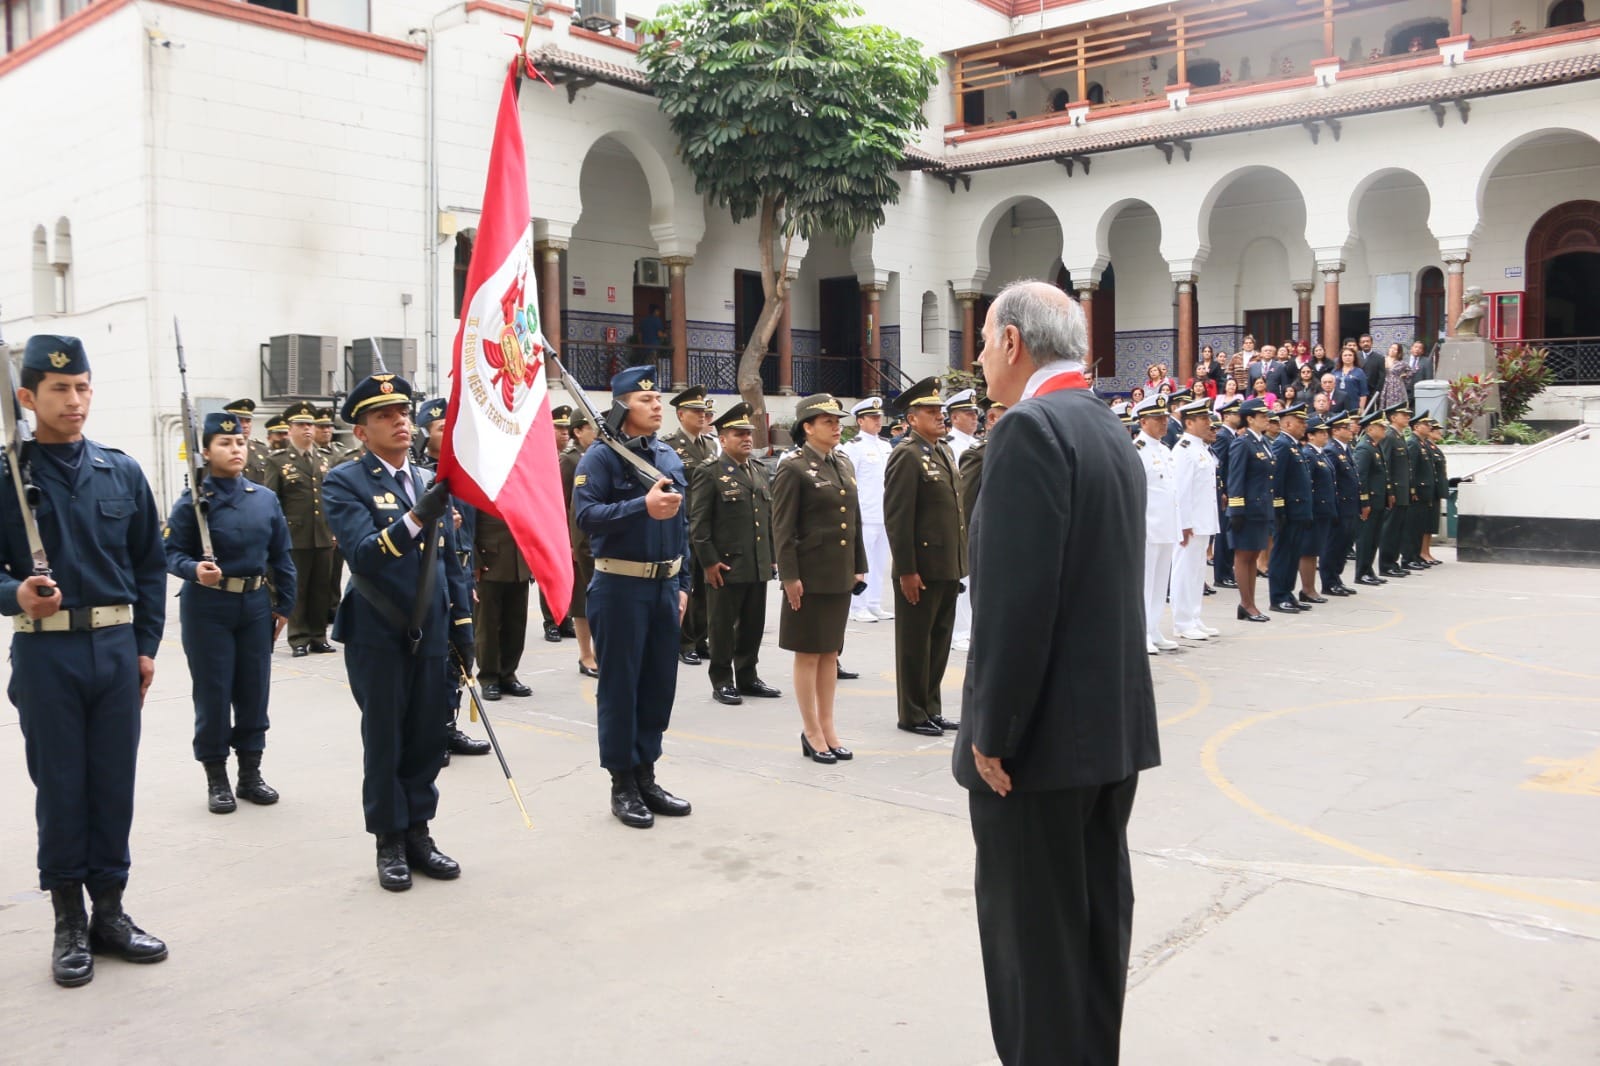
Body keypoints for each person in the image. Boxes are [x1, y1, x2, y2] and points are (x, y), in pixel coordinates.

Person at [953, 281, 1159, 1066]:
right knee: (1093, 937)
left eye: (981, 338)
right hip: (1107, 734)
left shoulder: (1028, 430)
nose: (977, 356)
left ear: (1013, 342)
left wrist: (993, 733)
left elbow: (1017, 603)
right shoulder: (1105, 426)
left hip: (1038, 750)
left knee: (1034, 957)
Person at [2, 334, 169, 987]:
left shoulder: (120, 470)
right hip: (47, 653)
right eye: (59, 390)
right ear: (27, 396)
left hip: (115, 649)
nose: (75, 400)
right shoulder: (8, 476)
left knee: (112, 786)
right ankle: (68, 920)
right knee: (63, 788)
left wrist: (147, 645)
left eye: (83, 387)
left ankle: (111, 913)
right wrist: (12, 593)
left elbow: (149, 567)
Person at [324, 372, 475, 890]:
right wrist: (414, 519)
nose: (400, 422)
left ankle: (419, 831)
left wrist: (462, 627)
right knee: (386, 736)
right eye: (384, 416)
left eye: (404, 413)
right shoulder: (345, 481)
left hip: (430, 627)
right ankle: (388, 839)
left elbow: (449, 560)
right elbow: (364, 555)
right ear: (361, 432)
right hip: (378, 629)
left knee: (426, 737)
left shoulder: (429, 479)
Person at [573, 365, 694, 829]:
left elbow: (682, 526)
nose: (657, 405)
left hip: (664, 587)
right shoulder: (600, 458)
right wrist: (639, 506)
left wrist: (682, 586)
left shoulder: (667, 456)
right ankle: (622, 782)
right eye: (646, 400)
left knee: (657, 686)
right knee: (620, 688)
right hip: (620, 586)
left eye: (659, 398)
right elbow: (586, 516)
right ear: (623, 405)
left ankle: (647, 772)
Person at [164, 411, 296, 815]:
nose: (235, 449)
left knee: (254, 691)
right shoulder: (193, 503)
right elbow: (170, 552)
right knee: (214, 692)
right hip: (209, 607)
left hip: (255, 605)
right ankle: (216, 776)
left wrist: (285, 605)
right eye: (224, 444)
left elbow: (282, 556)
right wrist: (192, 570)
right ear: (206, 452)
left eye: (239, 442)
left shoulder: (264, 499)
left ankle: (250, 774)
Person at [771, 394, 866, 762]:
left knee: (830, 653)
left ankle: (828, 727)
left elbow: (852, 519)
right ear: (807, 427)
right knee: (809, 653)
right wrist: (790, 576)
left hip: (837, 572)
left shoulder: (842, 462)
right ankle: (811, 730)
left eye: (837, 420)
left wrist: (858, 564)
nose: (836, 425)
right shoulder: (793, 467)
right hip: (808, 574)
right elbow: (783, 527)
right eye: (827, 421)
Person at [884, 376, 965, 737]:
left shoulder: (943, 451)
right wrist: (906, 570)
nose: (940, 416)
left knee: (938, 642)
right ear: (912, 418)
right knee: (916, 644)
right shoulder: (906, 454)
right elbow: (898, 518)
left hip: (947, 566)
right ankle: (912, 712)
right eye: (931, 411)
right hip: (921, 569)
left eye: (940, 411)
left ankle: (932, 706)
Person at [414, 398, 491, 761]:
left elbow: (472, 527)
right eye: (441, 428)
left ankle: (448, 725)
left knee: (459, 654)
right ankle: (428, 731)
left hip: (459, 572)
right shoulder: (416, 475)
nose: (448, 435)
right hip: (428, 576)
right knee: (431, 658)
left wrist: (470, 573)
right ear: (425, 433)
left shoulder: (463, 471)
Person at [689, 402, 780, 707]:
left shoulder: (757, 469)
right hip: (726, 564)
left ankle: (748, 675)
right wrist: (709, 561)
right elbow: (698, 523)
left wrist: (772, 555)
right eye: (738, 433)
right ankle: (722, 680)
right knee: (722, 625)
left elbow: (767, 517)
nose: (746, 439)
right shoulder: (710, 472)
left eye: (749, 433)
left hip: (756, 562)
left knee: (753, 624)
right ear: (722, 438)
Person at [265, 401, 335, 657]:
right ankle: (298, 638)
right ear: (290, 429)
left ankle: (319, 636)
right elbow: (273, 500)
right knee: (298, 587)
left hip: (323, 534)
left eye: (310, 425)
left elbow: (333, 498)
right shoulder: (279, 461)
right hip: (295, 535)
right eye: (301, 425)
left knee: (321, 589)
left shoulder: (325, 459)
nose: (307, 429)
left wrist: (334, 528)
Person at [661, 384, 717, 666]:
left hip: (707, 524)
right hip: (683, 522)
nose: (702, 416)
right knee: (687, 584)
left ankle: (701, 637)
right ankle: (684, 641)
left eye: (704, 411)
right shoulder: (670, 446)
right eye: (696, 412)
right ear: (681, 415)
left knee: (707, 583)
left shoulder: (710, 445)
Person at [1132, 396, 1183, 653]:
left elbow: (1172, 492)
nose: (1164, 423)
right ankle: (1141, 633)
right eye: (1158, 419)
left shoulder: (1164, 450)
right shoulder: (1137, 450)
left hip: (1166, 526)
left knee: (1160, 582)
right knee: (1145, 583)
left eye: (1165, 417)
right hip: (1148, 528)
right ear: (1143, 421)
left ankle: (1153, 628)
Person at [841, 397, 894, 623]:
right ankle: (857, 605)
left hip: (884, 513)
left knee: (880, 562)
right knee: (862, 562)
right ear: (860, 421)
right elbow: (848, 480)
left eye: (879, 417)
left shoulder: (885, 445)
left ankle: (873, 603)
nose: (877, 421)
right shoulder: (853, 447)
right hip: (864, 513)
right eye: (872, 418)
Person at [1170, 398, 1219, 642]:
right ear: (1189, 422)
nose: (1208, 423)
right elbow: (1181, 490)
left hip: (1203, 520)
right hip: (1190, 523)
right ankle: (1182, 621)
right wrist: (1184, 523)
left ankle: (1194, 616)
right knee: (1184, 570)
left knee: (1198, 571)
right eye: (1203, 419)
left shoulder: (1201, 448)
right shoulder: (1184, 450)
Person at [1226, 397, 1277, 621]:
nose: (1267, 419)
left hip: (1262, 508)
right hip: (1246, 510)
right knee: (1244, 555)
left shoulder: (1263, 442)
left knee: (1254, 554)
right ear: (1250, 419)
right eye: (1262, 416)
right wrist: (1236, 510)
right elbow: (1235, 478)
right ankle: (1246, 604)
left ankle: (1251, 603)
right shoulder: (1242, 442)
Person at [561, 407, 599, 677]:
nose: (596, 433)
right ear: (578, 431)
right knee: (581, 601)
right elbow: (562, 504)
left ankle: (600, 651)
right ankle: (585, 654)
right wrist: (570, 543)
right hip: (577, 540)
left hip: (598, 539)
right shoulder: (570, 461)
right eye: (591, 428)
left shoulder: (599, 457)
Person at [1267, 402, 1312, 614]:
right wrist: (1279, 510)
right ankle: (1278, 596)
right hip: (1288, 511)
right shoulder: (1282, 445)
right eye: (1300, 421)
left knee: (1293, 553)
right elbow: (1276, 481)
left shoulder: (1294, 445)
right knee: (1282, 553)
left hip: (1299, 510)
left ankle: (1288, 592)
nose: (1304, 425)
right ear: (1286, 423)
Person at [538, 405, 577, 641]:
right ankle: (551, 621)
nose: (564, 433)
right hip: (549, 522)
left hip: (568, 524)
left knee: (567, 573)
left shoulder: (571, 457)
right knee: (549, 572)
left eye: (566, 429)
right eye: (559, 429)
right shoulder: (542, 456)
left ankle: (565, 618)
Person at [1319, 410, 1363, 597]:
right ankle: (1329, 581)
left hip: (1350, 505)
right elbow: (1332, 482)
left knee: (1344, 544)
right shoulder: (1331, 450)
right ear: (1335, 431)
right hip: (1340, 506)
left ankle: (1337, 578)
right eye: (1346, 427)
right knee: (1334, 545)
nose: (1351, 429)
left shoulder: (1346, 449)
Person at [1352, 407, 1392, 586]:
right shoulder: (1364, 448)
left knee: (1374, 537)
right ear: (1370, 429)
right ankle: (1361, 572)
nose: (1384, 429)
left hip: (1378, 500)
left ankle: (1368, 569)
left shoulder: (1375, 447)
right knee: (1366, 538)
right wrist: (1364, 501)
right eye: (1380, 426)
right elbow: (1361, 477)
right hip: (1370, 501)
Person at [1299, 415, 1336, 604]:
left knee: (1315, 550)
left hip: (1324, 510)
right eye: (1320, 433)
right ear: (1310, 436)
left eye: (1325, 432)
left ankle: (1311, 588)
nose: (1325, 435)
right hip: (1315, 510)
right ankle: (1307, 589)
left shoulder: (1320, 453)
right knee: (1308, 550)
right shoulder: (1308, 454)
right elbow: (1308, 484)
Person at [1377, 402, 1413, 579]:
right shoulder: (1389, 436)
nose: (1407, 417)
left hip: (1403, 490)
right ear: (1393, 417)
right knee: (1390, 529)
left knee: (1398, 528)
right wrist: (1389, 489)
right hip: (1395, 491)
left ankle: (1393, 562)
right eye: (1403, 414)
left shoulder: (1399, 436)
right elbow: (1386, 465)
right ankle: (1386, 564)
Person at [1210, 395, 1241, 590]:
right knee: (1223, 534)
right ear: (1228, 415)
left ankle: (1227, 572)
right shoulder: (1223, 436)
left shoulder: (1232, 435)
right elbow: (1218, 465)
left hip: (1230, 490)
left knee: (1228, 532)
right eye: (1237, 413)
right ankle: (1222, 574)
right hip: (1225, 491)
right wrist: (1223, 489)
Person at [1402, 413, 1438, 570]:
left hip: (1425, 492)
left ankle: (1416, 556)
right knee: (1412, 528)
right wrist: (1412, 489)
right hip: (1417, 492)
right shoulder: (1413, 443)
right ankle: (1408, 558)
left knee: (1419, 527)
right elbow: (1411, 470)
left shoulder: (1422, 444)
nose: (1429, 427)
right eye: (1425, 424)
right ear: (1416, 427)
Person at [224, 398, 275, 484]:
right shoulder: (220, 450)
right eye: (240, 421)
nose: (245, 425)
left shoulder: (263, 451)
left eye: (248, 421)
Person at [1423, 420, 1448, 565]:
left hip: (1436, 489)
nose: (1439, 432)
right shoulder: (1426, 446)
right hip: (1429, 489)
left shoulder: (1433, 447)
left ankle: (1427, 552)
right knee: (1426, 524)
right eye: (1436, 429)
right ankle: (1423, 552)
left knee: (1431, 524)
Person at [1334, 345, 1370, 413]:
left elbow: (1363, 393)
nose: (1348, 357)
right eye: (1345, 355)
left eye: (1350, 355)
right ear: (1341, 357)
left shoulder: (1359, 372)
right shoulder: (1335, 372)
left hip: (1353, 406)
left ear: (1354, 357)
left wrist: (1361, 408)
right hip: (1336, 406)